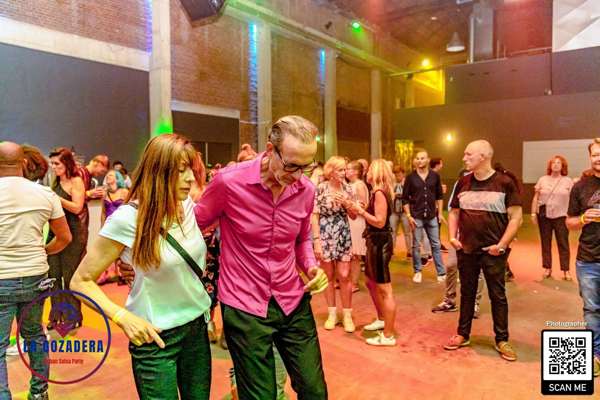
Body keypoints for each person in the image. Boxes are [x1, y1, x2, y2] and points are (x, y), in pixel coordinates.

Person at [193, 115, 329, 399]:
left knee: (314, 390)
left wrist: (311, 267)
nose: (298, 176)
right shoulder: (228, 182)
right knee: (260, 396)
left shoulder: (306, 190)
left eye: (307, 166)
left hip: (291, 300)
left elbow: (302, 238)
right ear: (270, 150)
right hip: (244, 305)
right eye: (291, 165)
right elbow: (195, 224)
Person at [71, 134, 213, 399]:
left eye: (190, 170)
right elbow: (81, 281)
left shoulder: (186, 205)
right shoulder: (127, 219)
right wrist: (122, 317)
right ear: (158, 172)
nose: (190, 179)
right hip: (155, 337)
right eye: (180, 171)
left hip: (196, 331)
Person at [0, 141, 72, 400]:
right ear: (23, 163)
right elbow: (64, 238)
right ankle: (39, 394)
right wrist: (42, 251)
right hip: (36, 276)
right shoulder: (45, 194)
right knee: (35, 336)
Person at [443, 140, 522, 362]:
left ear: (484, 156)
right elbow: (454, 212)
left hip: (493, 252)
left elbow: (516, 218)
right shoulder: (463, 182)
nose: (464, 158)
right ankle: (463, 334)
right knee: (467, 293)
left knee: (498, 295)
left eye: (469, 154)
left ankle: (502, 339)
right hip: (467, 250)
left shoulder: (505, 183)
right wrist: (452, 237)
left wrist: (501, 245)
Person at [566, 137, 600, 377]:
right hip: (588, 260)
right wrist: (582, 219)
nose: (598, 158)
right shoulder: (580, 186)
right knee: (592, 309)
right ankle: (596, 354)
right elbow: (569, 222)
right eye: (595, 154)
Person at [354, 159, 397, 346]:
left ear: (377, 172)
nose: (367, 171)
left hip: (380, 243)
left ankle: (388, 335)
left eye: (370, 168)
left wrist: (361, 211)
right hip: (375, 241)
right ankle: (381, 319)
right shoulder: (378, 191)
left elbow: (379, 222)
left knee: (385, 289)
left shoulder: (379, 192)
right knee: (370, 282)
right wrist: (363, 208)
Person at [431, 170, 485, 318]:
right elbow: (452, 210)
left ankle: (474, 303)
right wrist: (452, 236)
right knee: (451, 265)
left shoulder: (485, 186)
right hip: (460, 235)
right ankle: (449, 300)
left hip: (478, 237)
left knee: (478, 271)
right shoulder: (460, 184)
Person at [313, 156, 357, 333]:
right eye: (340, 170)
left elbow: (354, 216)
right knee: (328, 275)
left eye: (345, 169)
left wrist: (347, 204)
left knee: (344, 275)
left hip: (343, 233)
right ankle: (332, 313)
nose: (344, 173)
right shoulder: (320, 188)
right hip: (325, 233)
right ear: (331, 171)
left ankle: (347, 315)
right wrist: (316, 241)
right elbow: (314, 215)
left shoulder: (348, 188)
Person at [46, 147, 88, 330]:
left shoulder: (76, 180)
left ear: (66, 163)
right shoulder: (55, 181)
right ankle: (56, 316)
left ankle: (73, 316)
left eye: (57, 163)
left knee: (69, 276)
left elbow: (77, 207)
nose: (53, 167)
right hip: (55, 231)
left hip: (73, 233)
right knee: (53, 276)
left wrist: (55, 197)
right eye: (52, 163)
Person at [402, 149, 446, 283]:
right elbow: (405, 199)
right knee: (416, 245)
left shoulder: (435, 176)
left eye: (422, 158)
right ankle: (417, 271)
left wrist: (440, 214)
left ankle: (441, 272)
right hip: (416, 216)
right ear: (415, 161)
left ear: (428, 160)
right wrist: (409, 215)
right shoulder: (410, 177)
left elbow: (439, 196)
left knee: (436, 245)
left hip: (432, 215)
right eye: (418, 158)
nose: (420, 160)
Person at [531, 155, 574, 280]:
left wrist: (571, 215)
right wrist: (533, 213)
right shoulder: (542, 179)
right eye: (553, 163)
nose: (555, 164)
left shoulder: (568, 181)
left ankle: (566, 270)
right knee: (545, 242)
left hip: (562, 216)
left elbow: (573, 199)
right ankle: (547, 268)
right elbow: (536, 197)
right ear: (550, 166)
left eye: (558, 163)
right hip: (544, 216)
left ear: (563, 166)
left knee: (563, 243)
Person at [97, 169, 130, 285]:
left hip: (122, 225)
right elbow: (103, 212)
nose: (108, 177)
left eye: (110, 175)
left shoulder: (124, 192)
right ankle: (113, 273)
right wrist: (102, 228)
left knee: (123, 250)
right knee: (111, 251)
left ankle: (123, 275)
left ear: (117, 178)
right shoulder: (105, 194)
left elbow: (130, 209)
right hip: (109, 225)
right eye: (107, 176)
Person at [346, 160, 369, 292]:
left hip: (357, 222)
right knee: (349, 253)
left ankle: (354, 283)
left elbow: (364, 206)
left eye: (348, 169)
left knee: (355, 254)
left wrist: (349, 205)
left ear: (356, 171)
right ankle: (348, 280)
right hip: (349, 220)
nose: (346, 171)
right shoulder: (349, 184)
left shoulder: (359, 185)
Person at [390, 165, 412, 258]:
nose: (397, 176)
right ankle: (391, 251)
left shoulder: (408, 183)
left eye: (399, 174)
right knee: (392, 232)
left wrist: (403, 193)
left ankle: (409, 251)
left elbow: (411, 196)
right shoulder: (391, 183)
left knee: (407, 232)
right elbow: (389, 196)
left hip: (405, 212)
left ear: (403, 174)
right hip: (393, 212)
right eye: (395, 174)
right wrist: (395, 194)